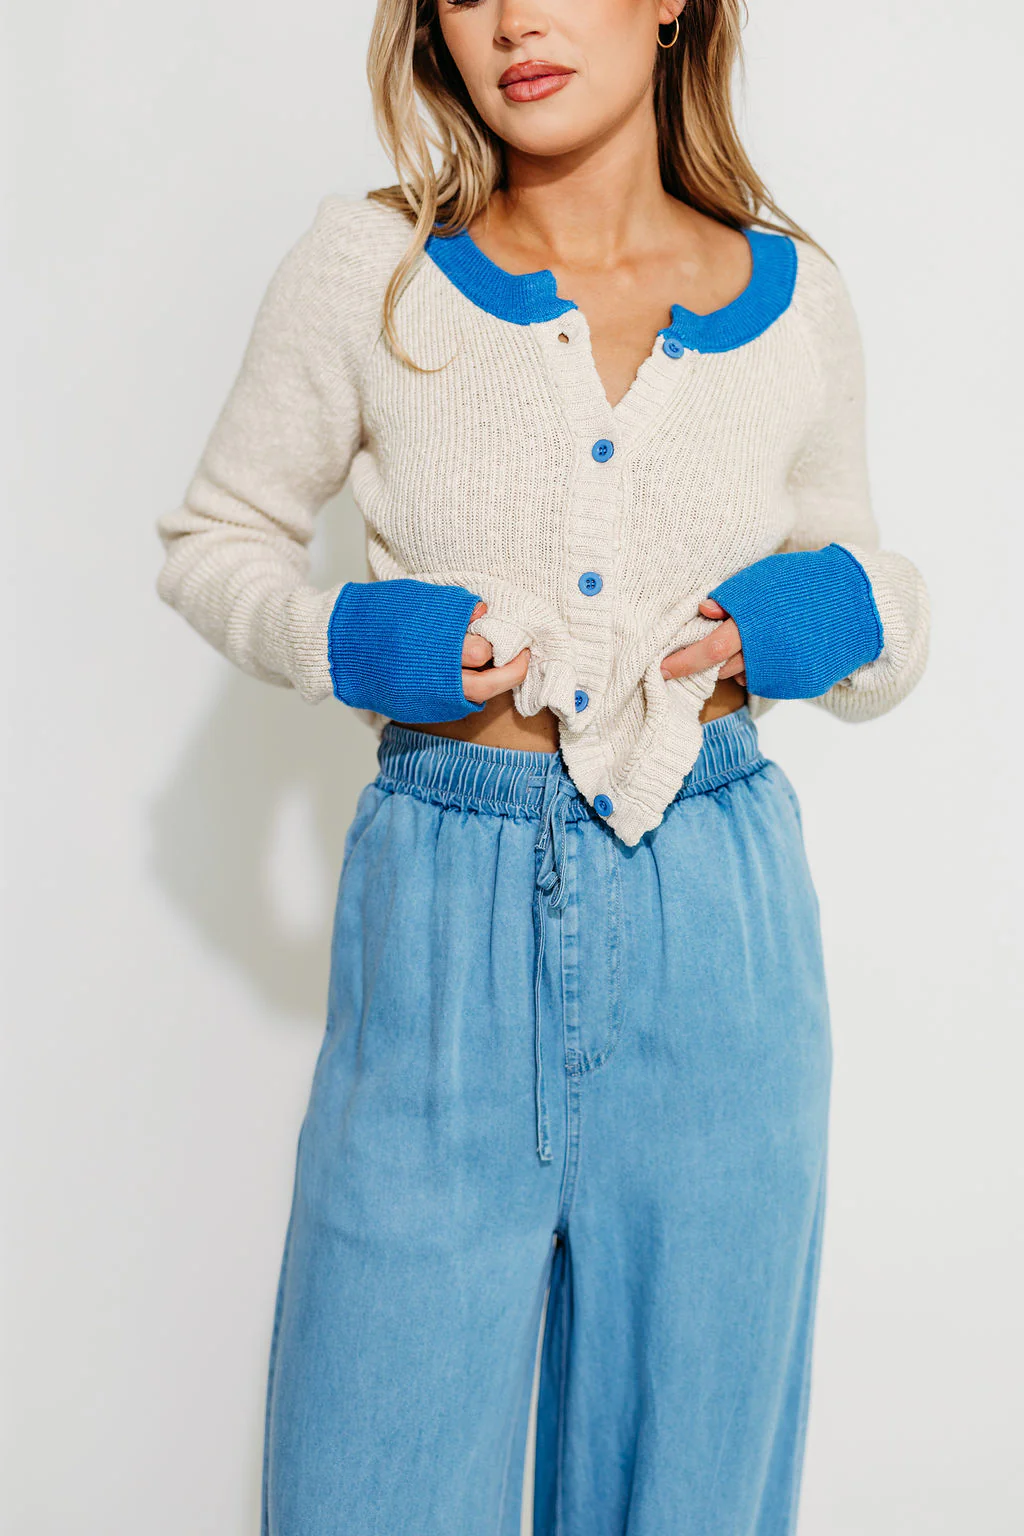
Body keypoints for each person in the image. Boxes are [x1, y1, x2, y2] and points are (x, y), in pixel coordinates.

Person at [154, 1, 930, 1531]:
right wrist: (354, 641)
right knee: (367, 1480)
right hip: (439, 917)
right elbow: (214, 541)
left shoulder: (798, 301)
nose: (514, 19)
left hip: (720, 930)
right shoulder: (369, 270)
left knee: (690, 1488)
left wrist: (808, 617)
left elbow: (886, 626)